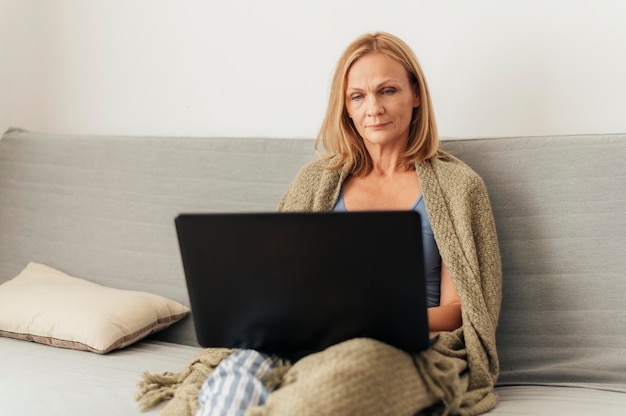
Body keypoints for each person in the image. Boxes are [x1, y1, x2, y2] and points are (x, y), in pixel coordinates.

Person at [196, 31, 502, 416]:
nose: (372, 108)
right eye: (358, 96)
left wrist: (368, 323)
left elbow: (459, 310)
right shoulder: (315, 181)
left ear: (416, 95)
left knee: (332, 389)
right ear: (346, 108)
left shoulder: (459, 188)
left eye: (387, 90)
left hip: (402, 344)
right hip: (310, 336)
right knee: (235, 376)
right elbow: (277, 283)